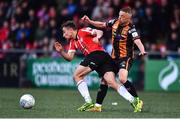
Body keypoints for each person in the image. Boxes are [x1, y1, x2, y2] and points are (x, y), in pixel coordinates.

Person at [54, 20, 142, 112]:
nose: (64, 35)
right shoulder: (72, 42)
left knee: (77, 75)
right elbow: (69, 58)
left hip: (97, 54)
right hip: (103, 58)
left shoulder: (83, 31)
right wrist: (61, 51)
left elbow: (100, 31)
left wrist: (98, 37)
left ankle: (88, 102)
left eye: (64, 32)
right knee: (111, 82)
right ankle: (133, 100)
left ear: (71, 29)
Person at [82, 6, 146, 112]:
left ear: (128, 18)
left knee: (122, 78)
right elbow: (102, 24)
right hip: (113, 58)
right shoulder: (115, 22)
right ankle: (97, 107)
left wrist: (142, 50)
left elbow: (137, 41)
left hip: (125, 58)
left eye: (122, 16)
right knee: (105, 80)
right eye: (119, 15)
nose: (119, 17)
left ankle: (137, 101)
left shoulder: (131, 29)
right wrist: (89, 21)